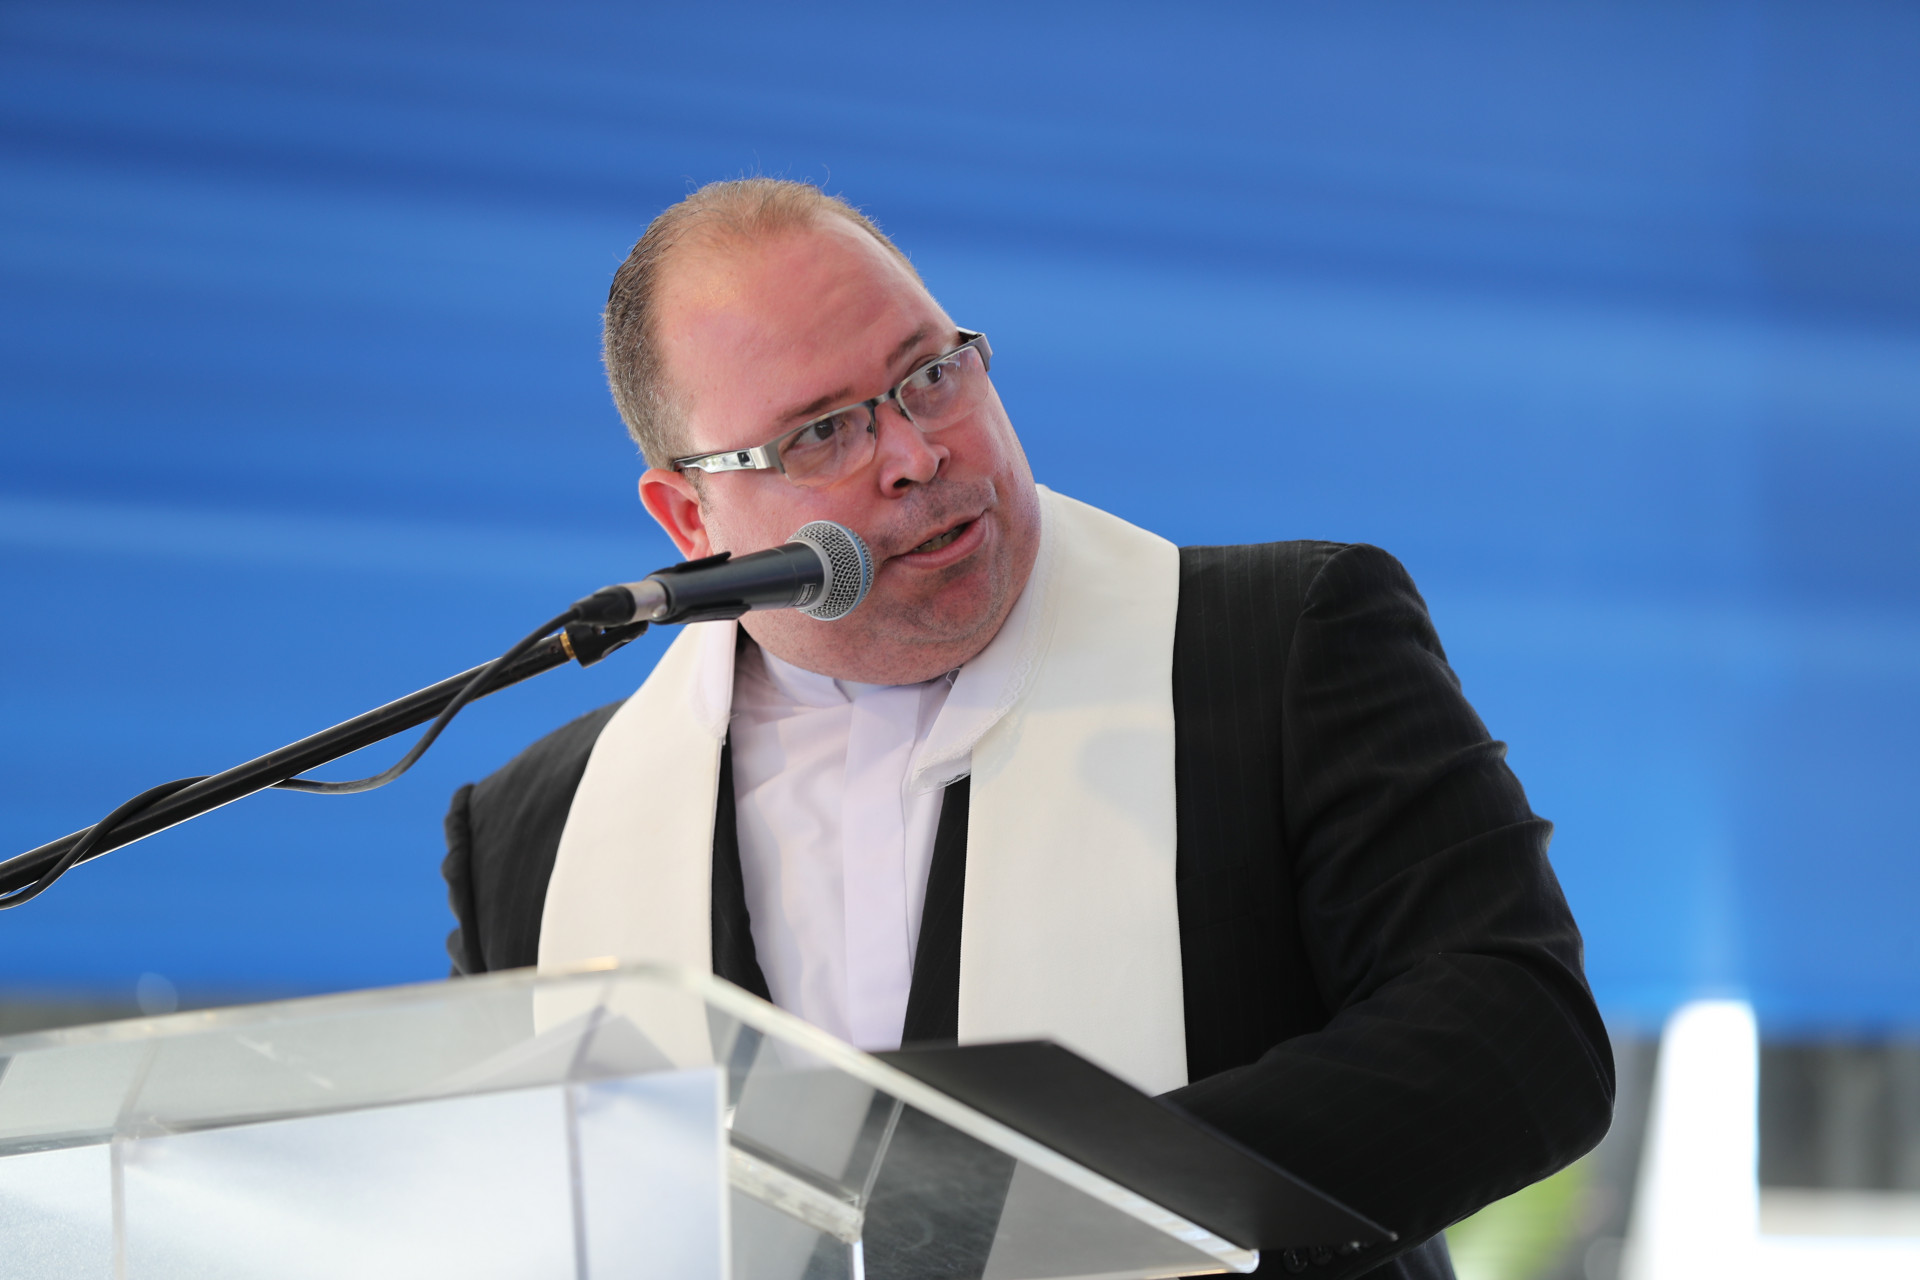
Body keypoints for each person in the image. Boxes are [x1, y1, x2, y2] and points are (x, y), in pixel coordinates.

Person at [442, 179, 1613, 1279]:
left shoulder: (1281, 643)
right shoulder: (537, 833)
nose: (916, 454)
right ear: (688, 515)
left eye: (929, 375)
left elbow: (1517, 1039)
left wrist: (1047, 1213)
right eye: (823, 434)